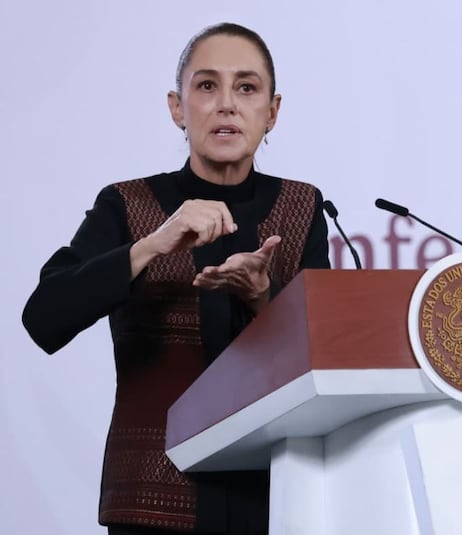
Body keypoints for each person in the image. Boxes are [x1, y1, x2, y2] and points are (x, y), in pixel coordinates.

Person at [21, 22, 330, 535]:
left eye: (246, 87)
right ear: (176, 106)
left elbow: (327, 359)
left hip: (277, 500)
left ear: (272, 112)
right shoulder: (127, 204)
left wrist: (264, 300)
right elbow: (43, 317)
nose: (226, 104)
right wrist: (151, 245)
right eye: (206, 86)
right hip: (152, 498)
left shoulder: (303, 207)